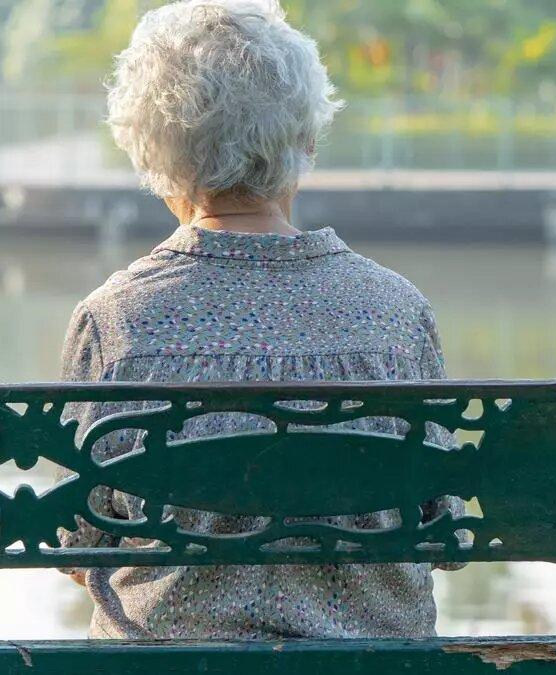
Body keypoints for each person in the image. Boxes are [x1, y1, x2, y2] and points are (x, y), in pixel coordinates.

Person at [58, 0, 462, 640]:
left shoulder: (118, 322)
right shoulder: (397, 313)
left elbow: (78, 538)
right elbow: (438, 522)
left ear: (151, 151)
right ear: (304, 138)